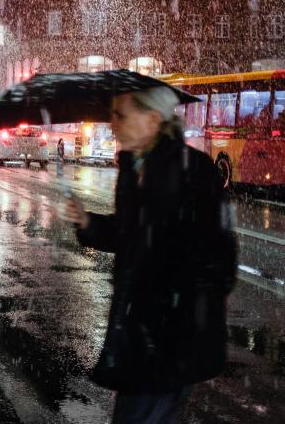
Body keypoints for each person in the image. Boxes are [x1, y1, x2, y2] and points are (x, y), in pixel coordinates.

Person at [61, 87, 237, 424]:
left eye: (120, 115)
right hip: (139, 334)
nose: (112, 124)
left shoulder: (192, 171)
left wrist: (172, 303)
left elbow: (218, 261)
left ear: (153, 119)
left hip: (170, 338)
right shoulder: (134, 167)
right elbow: (133, 234)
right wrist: (88, 222)